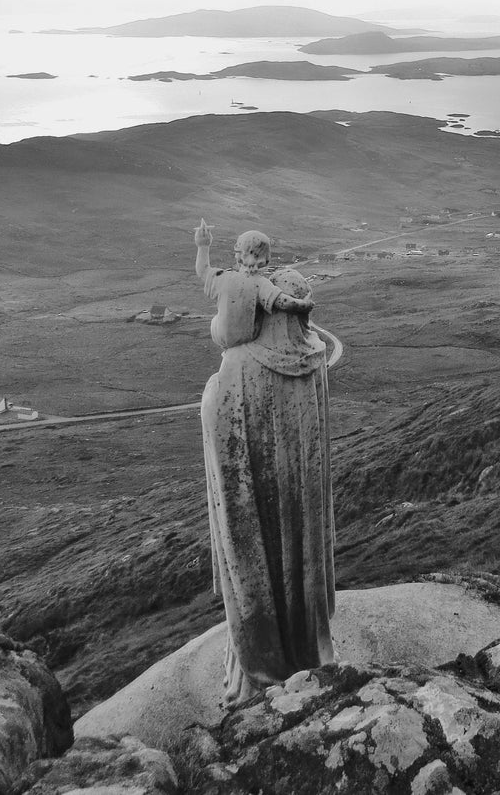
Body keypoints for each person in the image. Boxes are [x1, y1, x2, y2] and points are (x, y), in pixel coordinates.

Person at [194, 222, 335, 706]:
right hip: (300, 510)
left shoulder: (239, 365)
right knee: (298, 559)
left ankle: (260, 662)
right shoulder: (314, 361)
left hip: (256, 508)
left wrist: (211, 396)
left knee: (259, 561)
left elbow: (222, 438)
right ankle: (309, 646)